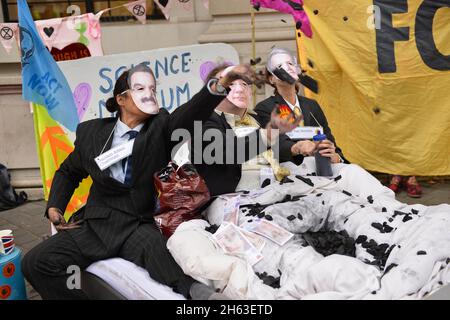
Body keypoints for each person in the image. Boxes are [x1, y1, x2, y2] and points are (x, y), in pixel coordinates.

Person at [21, 63, 253, 300]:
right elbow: (69, 171)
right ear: (121, 99)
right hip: (96, 226)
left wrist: (218, 85)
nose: (149, 94)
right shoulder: (91, 133)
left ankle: (204, 297)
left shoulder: (161, 127)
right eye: (140, 88)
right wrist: (54, 206)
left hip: (138, 226)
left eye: (153, 89)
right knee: (34, 263)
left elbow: (190, 112)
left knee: (172, 270)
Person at [191, 64, 299, 196]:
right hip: (232, 198)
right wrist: (268, 135)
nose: (240, 89)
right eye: (230, 83)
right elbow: (226, 152)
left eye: (244, 83)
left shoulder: (258, 117)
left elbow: (280, 144)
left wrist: (297, 147)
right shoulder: (203, 120)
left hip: (277, 189)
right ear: (213, 91)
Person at [254, 48, 347, 166]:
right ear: (271, 79)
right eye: (279, 66)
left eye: (290, 63)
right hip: (290, 171)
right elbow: (276, 143)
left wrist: (336, 157)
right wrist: (297, 147)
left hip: (322, 167)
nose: (287, 67)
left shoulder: (312, 105)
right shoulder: (265, 108)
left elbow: (329, 140)